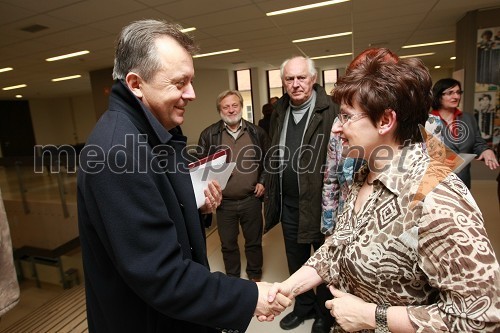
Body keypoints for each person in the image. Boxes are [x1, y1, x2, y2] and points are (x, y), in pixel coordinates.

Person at [77, 19, 291, 333]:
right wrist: (249, 296)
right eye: (179, 83)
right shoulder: (117, 153)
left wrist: (194, 205)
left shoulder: (152, 132)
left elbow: (154, 212)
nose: (191, 93)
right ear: (136, 84)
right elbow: (160, 275)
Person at [268, 48, 500, 332]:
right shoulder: (363, 175)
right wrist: (286, 288)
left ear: (385, 121)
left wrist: (372, 316)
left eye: (346, 117)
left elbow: (479, 317)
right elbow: (337, 248)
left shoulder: (437, 198)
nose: (337, 129)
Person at [321, 48, 445, 236]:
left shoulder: (429, 125)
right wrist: (330, 230)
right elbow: (331, 178)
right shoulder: (341, 124)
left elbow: (436, 178)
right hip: (350, 221)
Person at [264, 56, 338, 333]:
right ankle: (303, 307)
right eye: (289, 79)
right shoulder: (279, 111)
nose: (295, 84)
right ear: (283, 82)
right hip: (289, 204)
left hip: (320, 204)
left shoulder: (331, 110)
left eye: (301, 78)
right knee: (296, 259)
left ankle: (324, 312)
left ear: (313, 79)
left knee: (321, 261)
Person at [197, 89, 270, 282]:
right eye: (225, 107)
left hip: (251, 199)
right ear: (220, 110)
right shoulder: (209, 135)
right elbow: (201, 168)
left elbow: (269, 161)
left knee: (253, 242)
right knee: (228, 243)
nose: (231, 110)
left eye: (234, 105)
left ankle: (255, 276)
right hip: (224, 202)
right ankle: (233, 279)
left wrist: (262, 181)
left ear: (241, 106)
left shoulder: (257, 132)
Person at [430, 78, 498, 189]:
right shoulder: (425, 121)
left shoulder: (468, 118)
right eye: (450, 93)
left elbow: (477, 142)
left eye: (458, 92)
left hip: (462, 183)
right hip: (436, 185)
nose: (456, 96)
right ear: (438, 96)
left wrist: (486, 150)